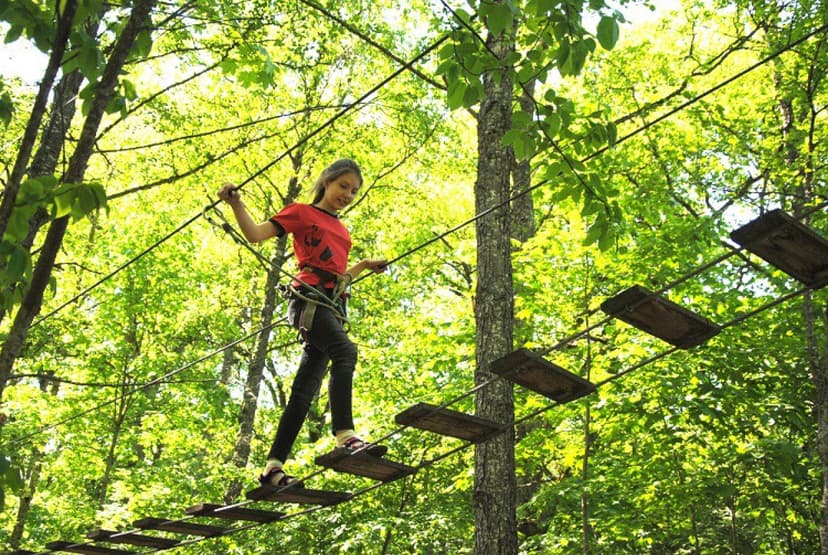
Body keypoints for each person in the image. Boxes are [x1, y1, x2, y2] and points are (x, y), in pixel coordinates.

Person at [217, 158, 388, 488]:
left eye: (353, 191)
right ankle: (345, 436)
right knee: (345, 352)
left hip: (331, 305)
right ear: (327, 181)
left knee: (303, 392)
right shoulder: (301, 212)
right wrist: (236, 203)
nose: (348, 194)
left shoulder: (342, 230)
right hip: (308, 302)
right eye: (343, 186)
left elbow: (339, 278)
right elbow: (255, 235)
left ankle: (272, 468)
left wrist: (364, 265)